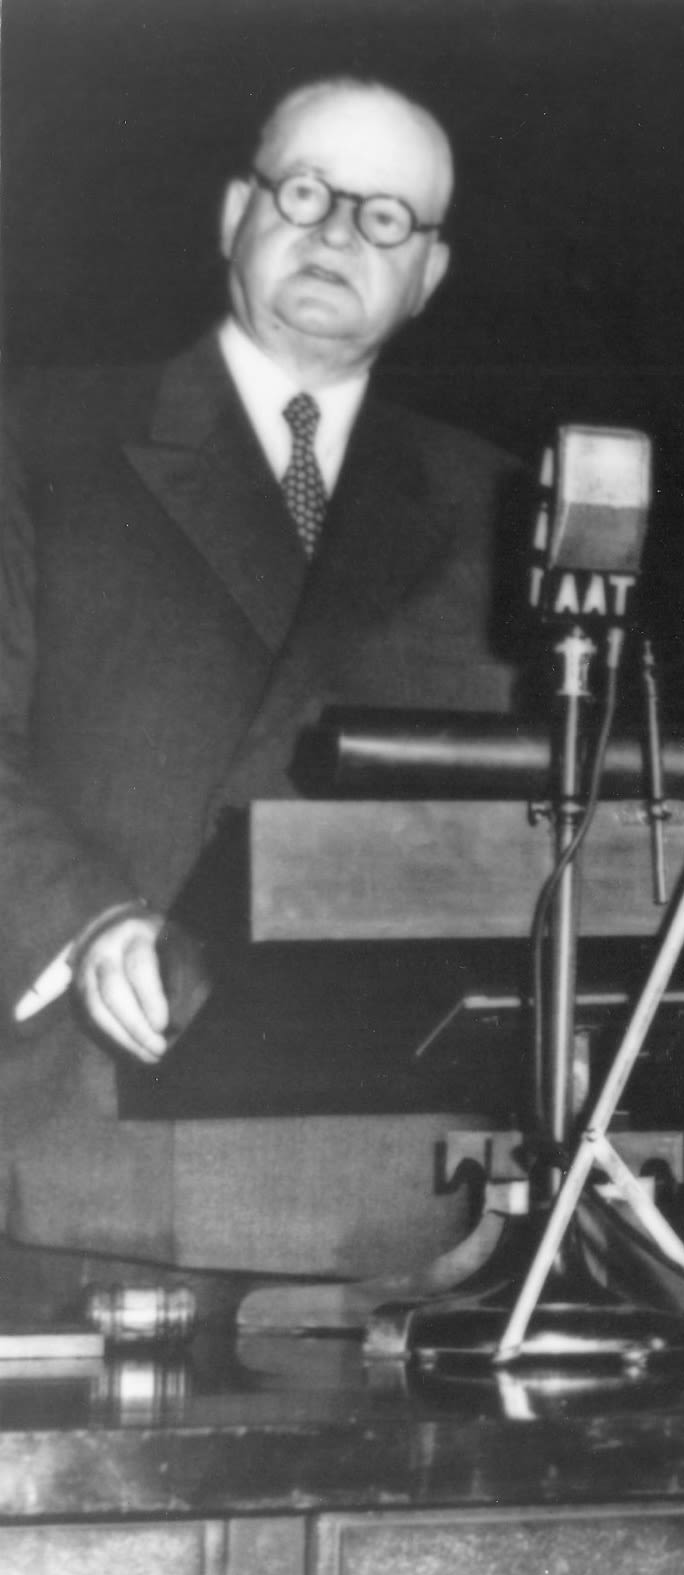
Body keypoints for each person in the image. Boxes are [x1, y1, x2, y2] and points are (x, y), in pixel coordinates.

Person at [0, 78, 518, 1266]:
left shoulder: (498, 498)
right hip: (81, 1134)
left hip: (392, 1181)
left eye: (388, 217)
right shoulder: (35, 433)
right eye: (305, 190)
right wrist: (80, 924)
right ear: (238, 209)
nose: (340, 231)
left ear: (429, 273)